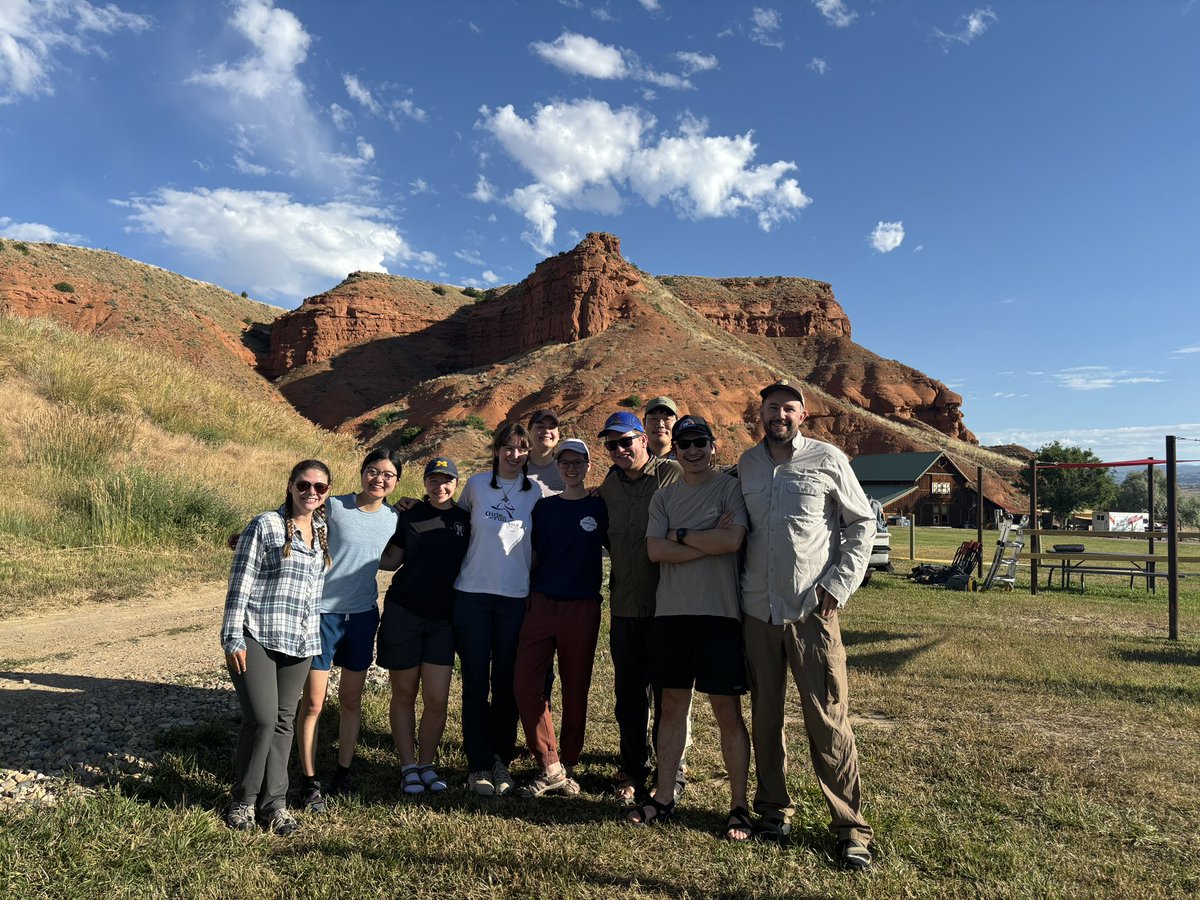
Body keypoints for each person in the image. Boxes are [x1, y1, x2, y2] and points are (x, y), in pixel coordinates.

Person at [737, 380, 876, 871]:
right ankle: (773, 811)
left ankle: (850, 828)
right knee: (766, 714)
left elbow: (862, 522)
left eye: (789, 408)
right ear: (761, 413)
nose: (780, 415)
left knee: (827, 716)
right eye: (772, 407)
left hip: (812, 612)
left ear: (803, 415)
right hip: (757, 610)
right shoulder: (747, 465)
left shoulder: (827, 458)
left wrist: (838, 585)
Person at [631, 416, 751, 840]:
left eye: (701, 441)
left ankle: (738, 806)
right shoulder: (664, 497)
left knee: (726, 711)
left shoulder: (730, 489)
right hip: (672, 616)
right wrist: (700, 537)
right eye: (684, 444)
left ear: (714, 446)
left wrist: (680, 538)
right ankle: (663, 796)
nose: (693, 450)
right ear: (675, 450)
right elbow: (655, 550)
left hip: (720, 616)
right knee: (671, 707)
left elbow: (732, 542)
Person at [220, 459, 332, 836]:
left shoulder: (321, 529)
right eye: (304, 485)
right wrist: (232, 636)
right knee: (263, 718)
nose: (311, 492)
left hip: (300, 641)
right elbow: (241, 582)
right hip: (257, 634)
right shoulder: (265, 524)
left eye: (320, 487)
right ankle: (243, 801)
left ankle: (275, 805)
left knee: (284, 722)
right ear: (290, 485)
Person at [294, 449, 401, 812]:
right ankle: (309, 781)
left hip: (362, 616)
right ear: (361, 473)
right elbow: (295, 517)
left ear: (396, 482)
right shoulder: (335, 506)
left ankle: (343, 771)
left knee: (351, 701)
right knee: (313, 703)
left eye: (387, 475)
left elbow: (387, 557)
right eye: (373, 471)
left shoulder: (393, 517)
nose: (379, 479)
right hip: (322, 614)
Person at [454, 422, 553, 795]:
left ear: (528, 453)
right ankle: (477, 763)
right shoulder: (477, 485)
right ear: (496, 450)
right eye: (508, 448)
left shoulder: (535, 493)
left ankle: (501, 760)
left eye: (521, 449)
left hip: (515, 597)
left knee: (507, 683)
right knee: (476, 681)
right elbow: (456, 523)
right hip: (472, 594)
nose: (514, 455)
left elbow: (541, 545)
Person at [595, 410, 686, 804]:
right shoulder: (609, 487)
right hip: (625, 608)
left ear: (643, 440)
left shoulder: (670, 476)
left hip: (667, 608)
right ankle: (632, 768)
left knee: (670, 696)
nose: (619, 449)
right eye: (611, 444)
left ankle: (672, 771)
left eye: (625, 441)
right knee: (629, 696)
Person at [513, 439, 609, 798]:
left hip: (581, 607)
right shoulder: (543, 509)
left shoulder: (601, 507)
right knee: (525, 684)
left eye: (577, 461)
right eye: (564, 462)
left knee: (575, 688)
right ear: (556, 465)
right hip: (541, 602)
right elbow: (531, 554)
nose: (571, 467)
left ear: (588, 464)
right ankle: (550, 761)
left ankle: (566, 762)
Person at [377, 457, 471, 795]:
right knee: (404, 693)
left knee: (437, 699)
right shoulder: (409, 514)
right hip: (405, 611)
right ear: (426, 482)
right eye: (434, 480)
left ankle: (427, 764)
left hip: (444, 619)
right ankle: (407, 767)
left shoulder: (466, 520)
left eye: (447, 480)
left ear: (457, 484)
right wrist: (355, 551)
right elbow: (391, 560)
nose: (440, 486)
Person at [524, 408, 565, 492]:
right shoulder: (515, 468)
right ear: (529, 432)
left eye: (552, 427)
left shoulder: (567, 470)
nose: (546, 431)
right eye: (540, 426)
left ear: (558, 435)